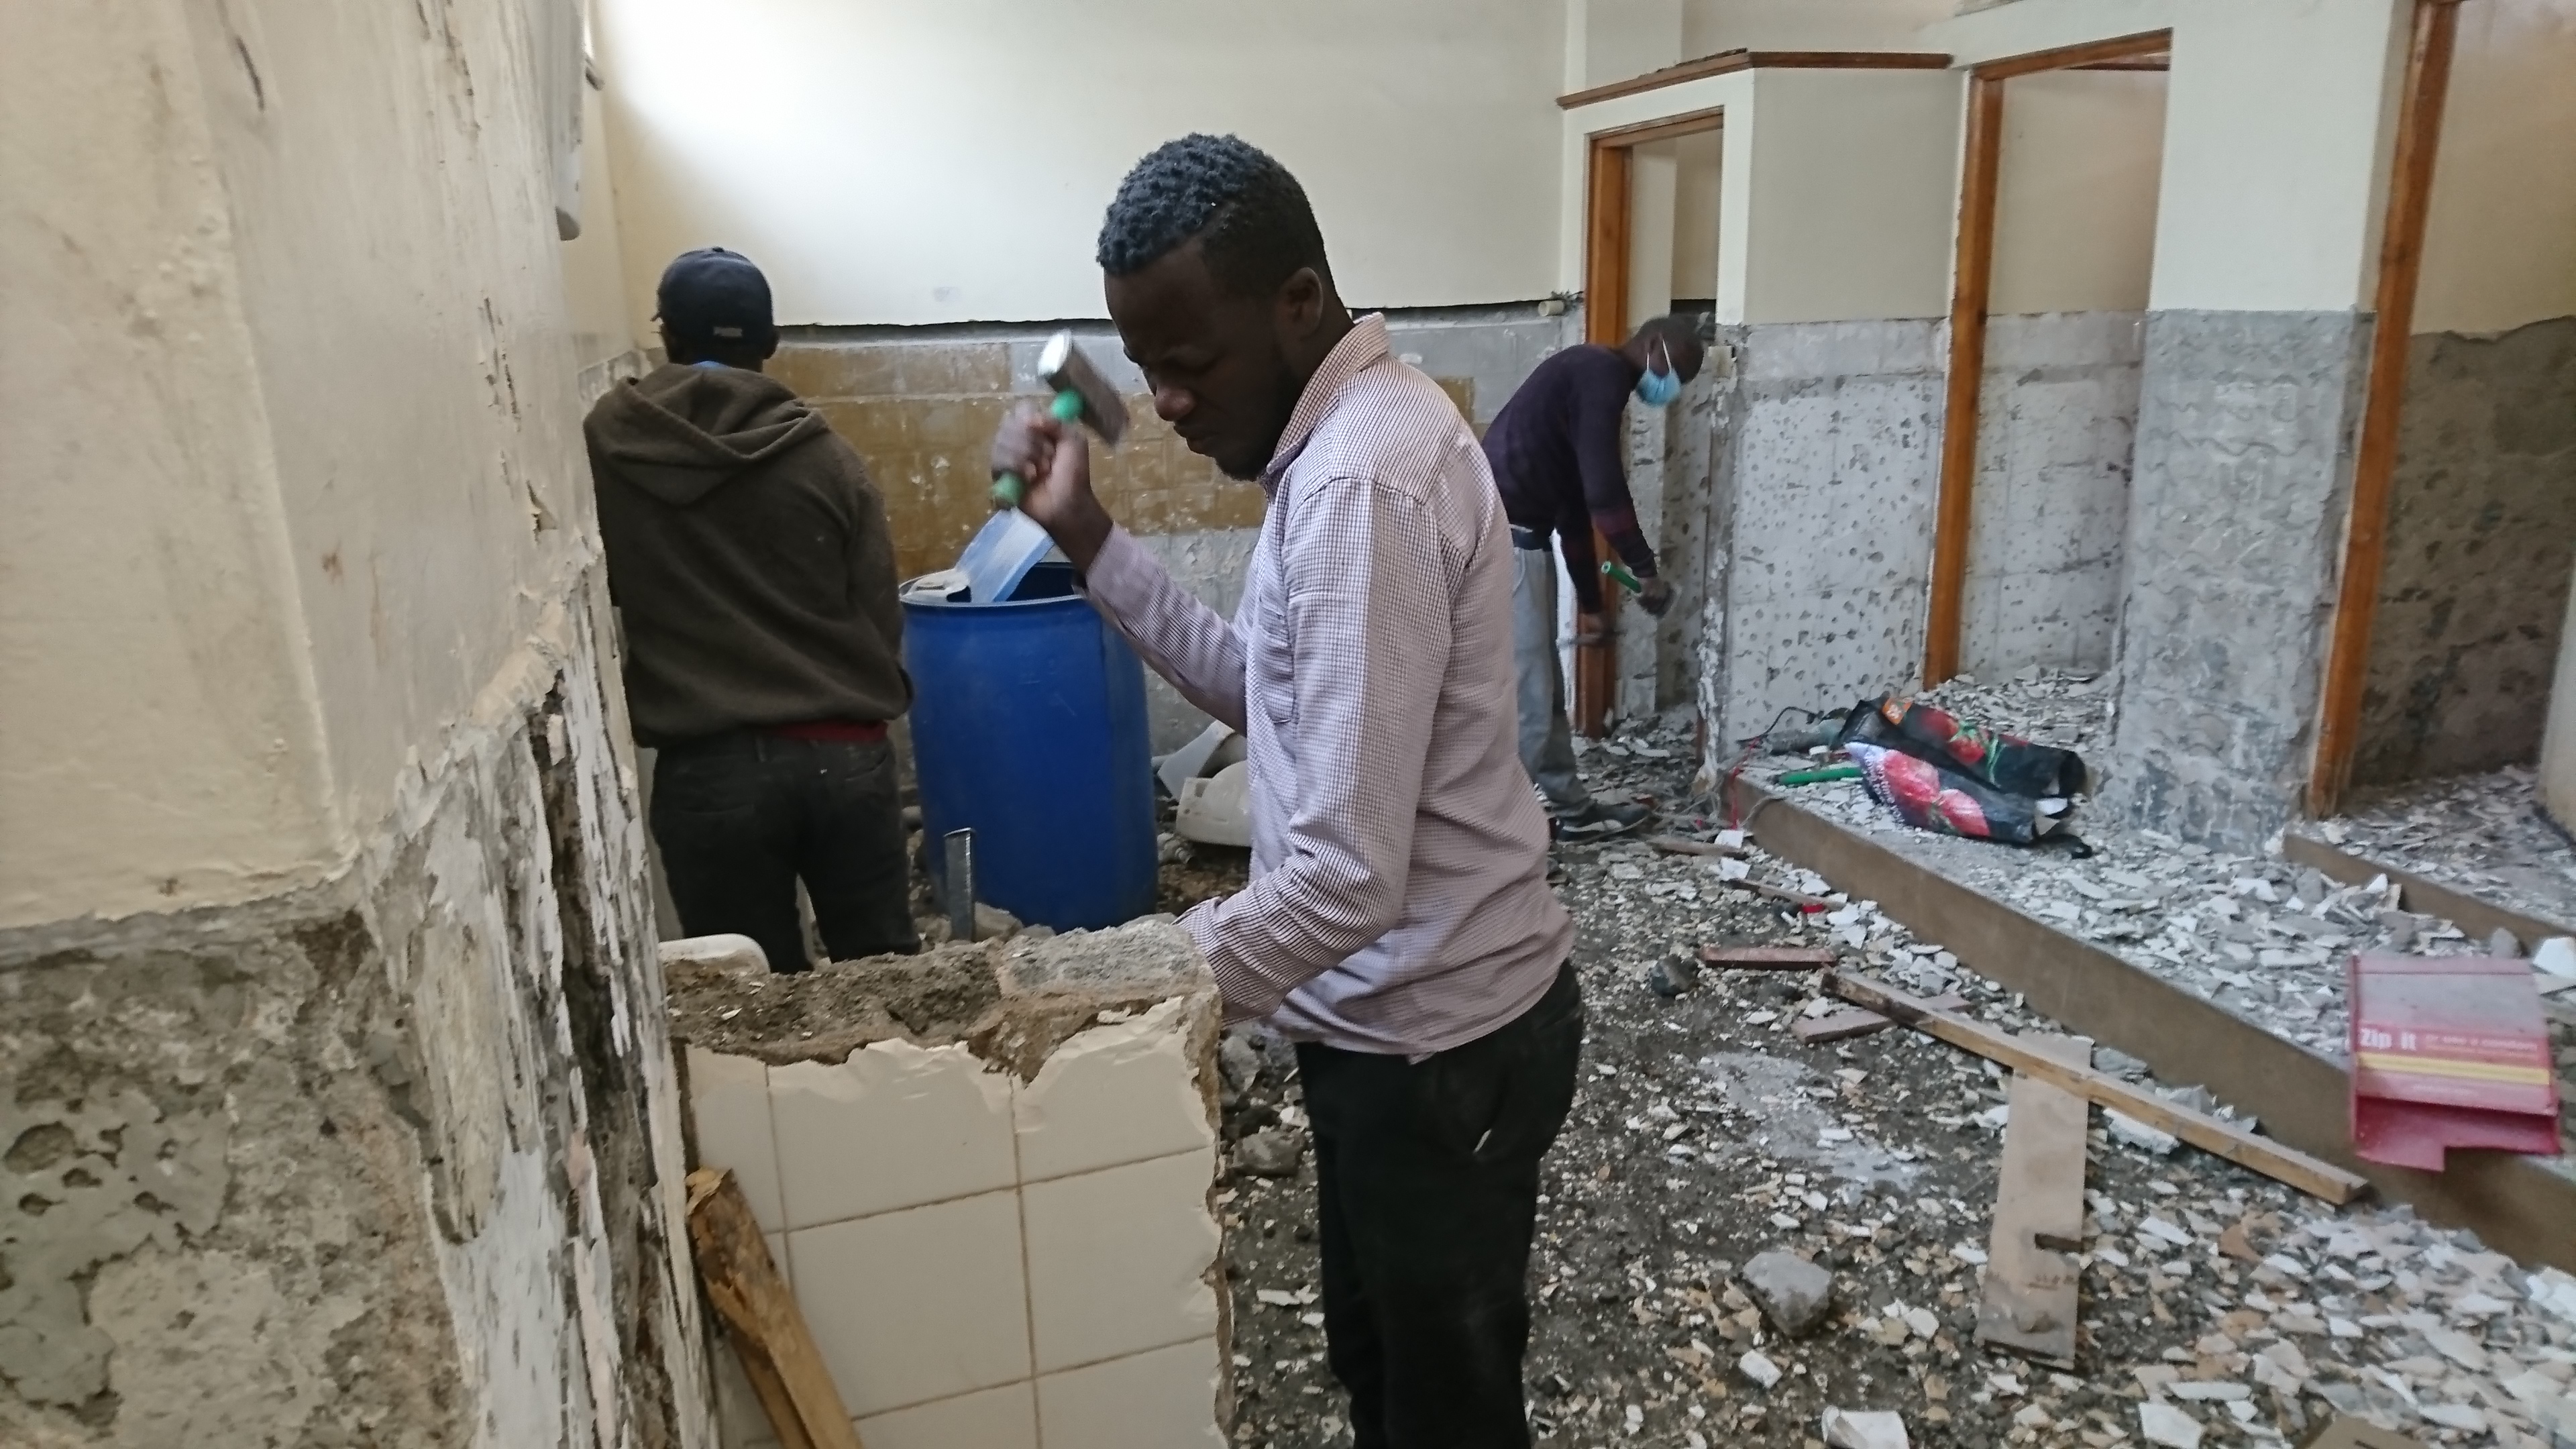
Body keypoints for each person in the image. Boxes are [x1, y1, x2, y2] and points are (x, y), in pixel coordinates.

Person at [989, 135, 1582, 1449]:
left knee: (1443, 1409)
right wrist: (1085, 532)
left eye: (1189, 363)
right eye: (1143, 369)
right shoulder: (1335, 456)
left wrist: (1132, 985)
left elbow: (1347, 881)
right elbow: (1265, 691)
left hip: (1441, 1045)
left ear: (1298, 301)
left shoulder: (1364, 479)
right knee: (1385, 1369)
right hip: (1395, 1031)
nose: (1166, 401)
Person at [585, 247, 918, 973]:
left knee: (750, 1001)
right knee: (887, 984)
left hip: (710, 773)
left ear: (667, 335)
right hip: (844, 758)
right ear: (770, 342)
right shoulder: (828, 459)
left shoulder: (611, 446)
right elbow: (878, 611)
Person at [1479, 314, 1706, 839]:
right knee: (1530, 700)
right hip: (1507, 541)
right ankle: (1494, 838)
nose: (1671, 385)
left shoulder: (1589, 377)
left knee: (1544, 691)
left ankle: (1571, 811)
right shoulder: (1600, 373)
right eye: (1674, 370)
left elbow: (1575, 508)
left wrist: (1592, 604)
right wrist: (1645, 571)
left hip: (1520, 539)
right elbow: (1604, 490)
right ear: (1652, 343)